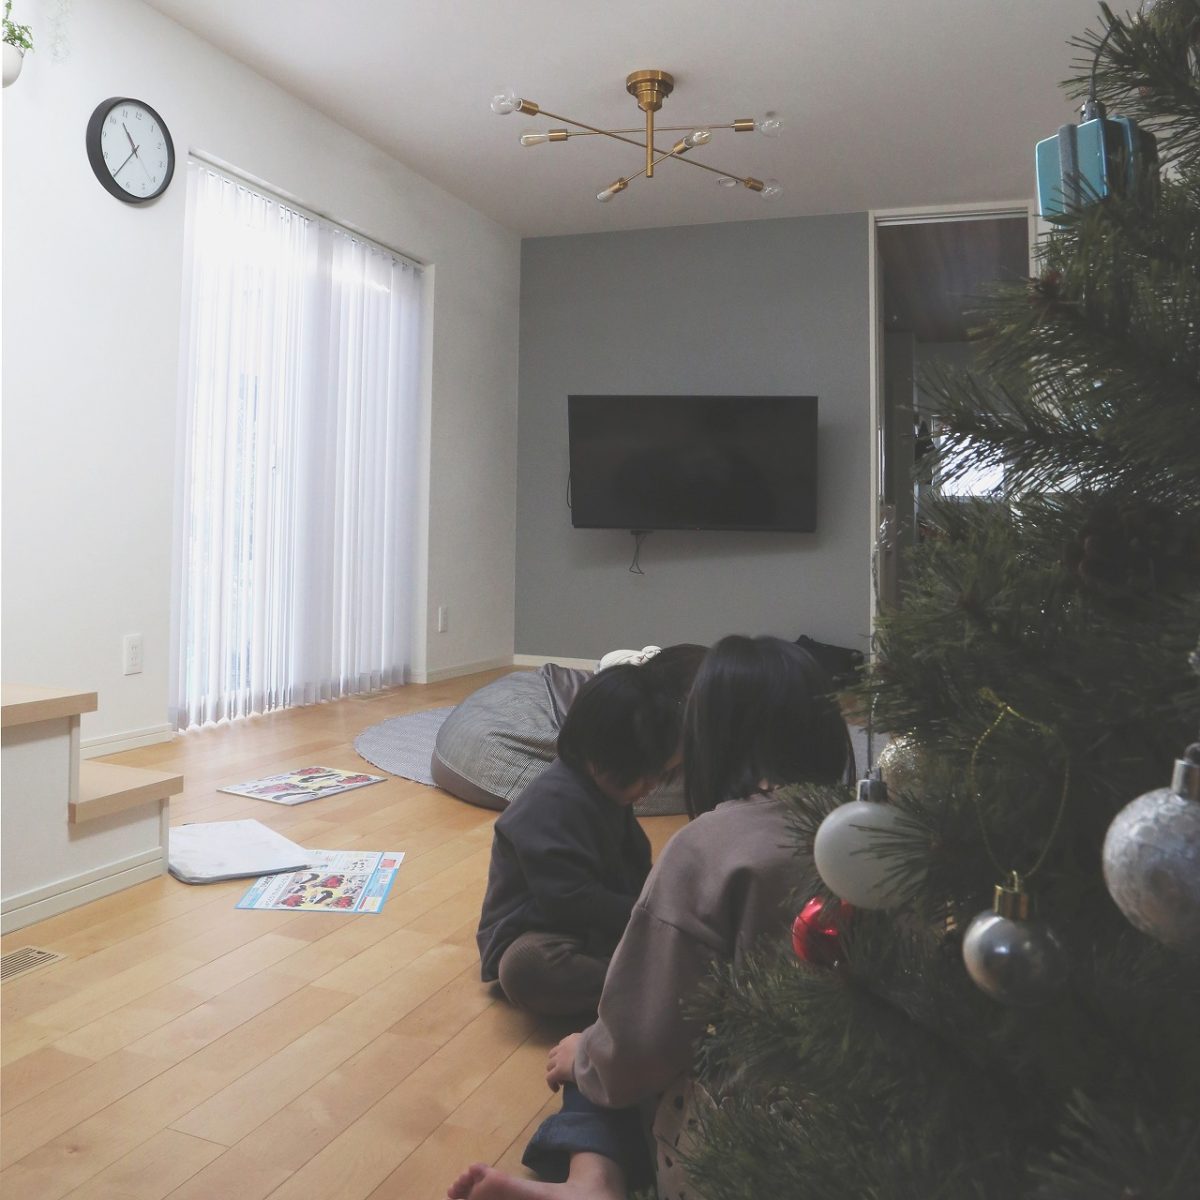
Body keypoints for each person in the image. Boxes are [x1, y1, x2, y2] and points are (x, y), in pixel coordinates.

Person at [447, 634, 854, 1200]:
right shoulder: (869, 836)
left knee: (599, 1046)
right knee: (553, 979)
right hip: (856, 1122)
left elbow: (638, 1044)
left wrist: (590, 1051)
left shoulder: (707, 845)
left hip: (734, 1135)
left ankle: (595, 1181)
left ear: (713, 740)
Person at [476, 651, 703, 1017]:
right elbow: (568, 901)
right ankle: (664, 986)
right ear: (599, 756)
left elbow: (635, 869)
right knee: (526, 966)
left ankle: (654, 974)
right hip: (542, 929)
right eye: (643, 776)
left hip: (599, 927)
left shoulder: (610, 794)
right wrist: (648, 917)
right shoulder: (549, 804)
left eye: (659, 776)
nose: (649, 788)